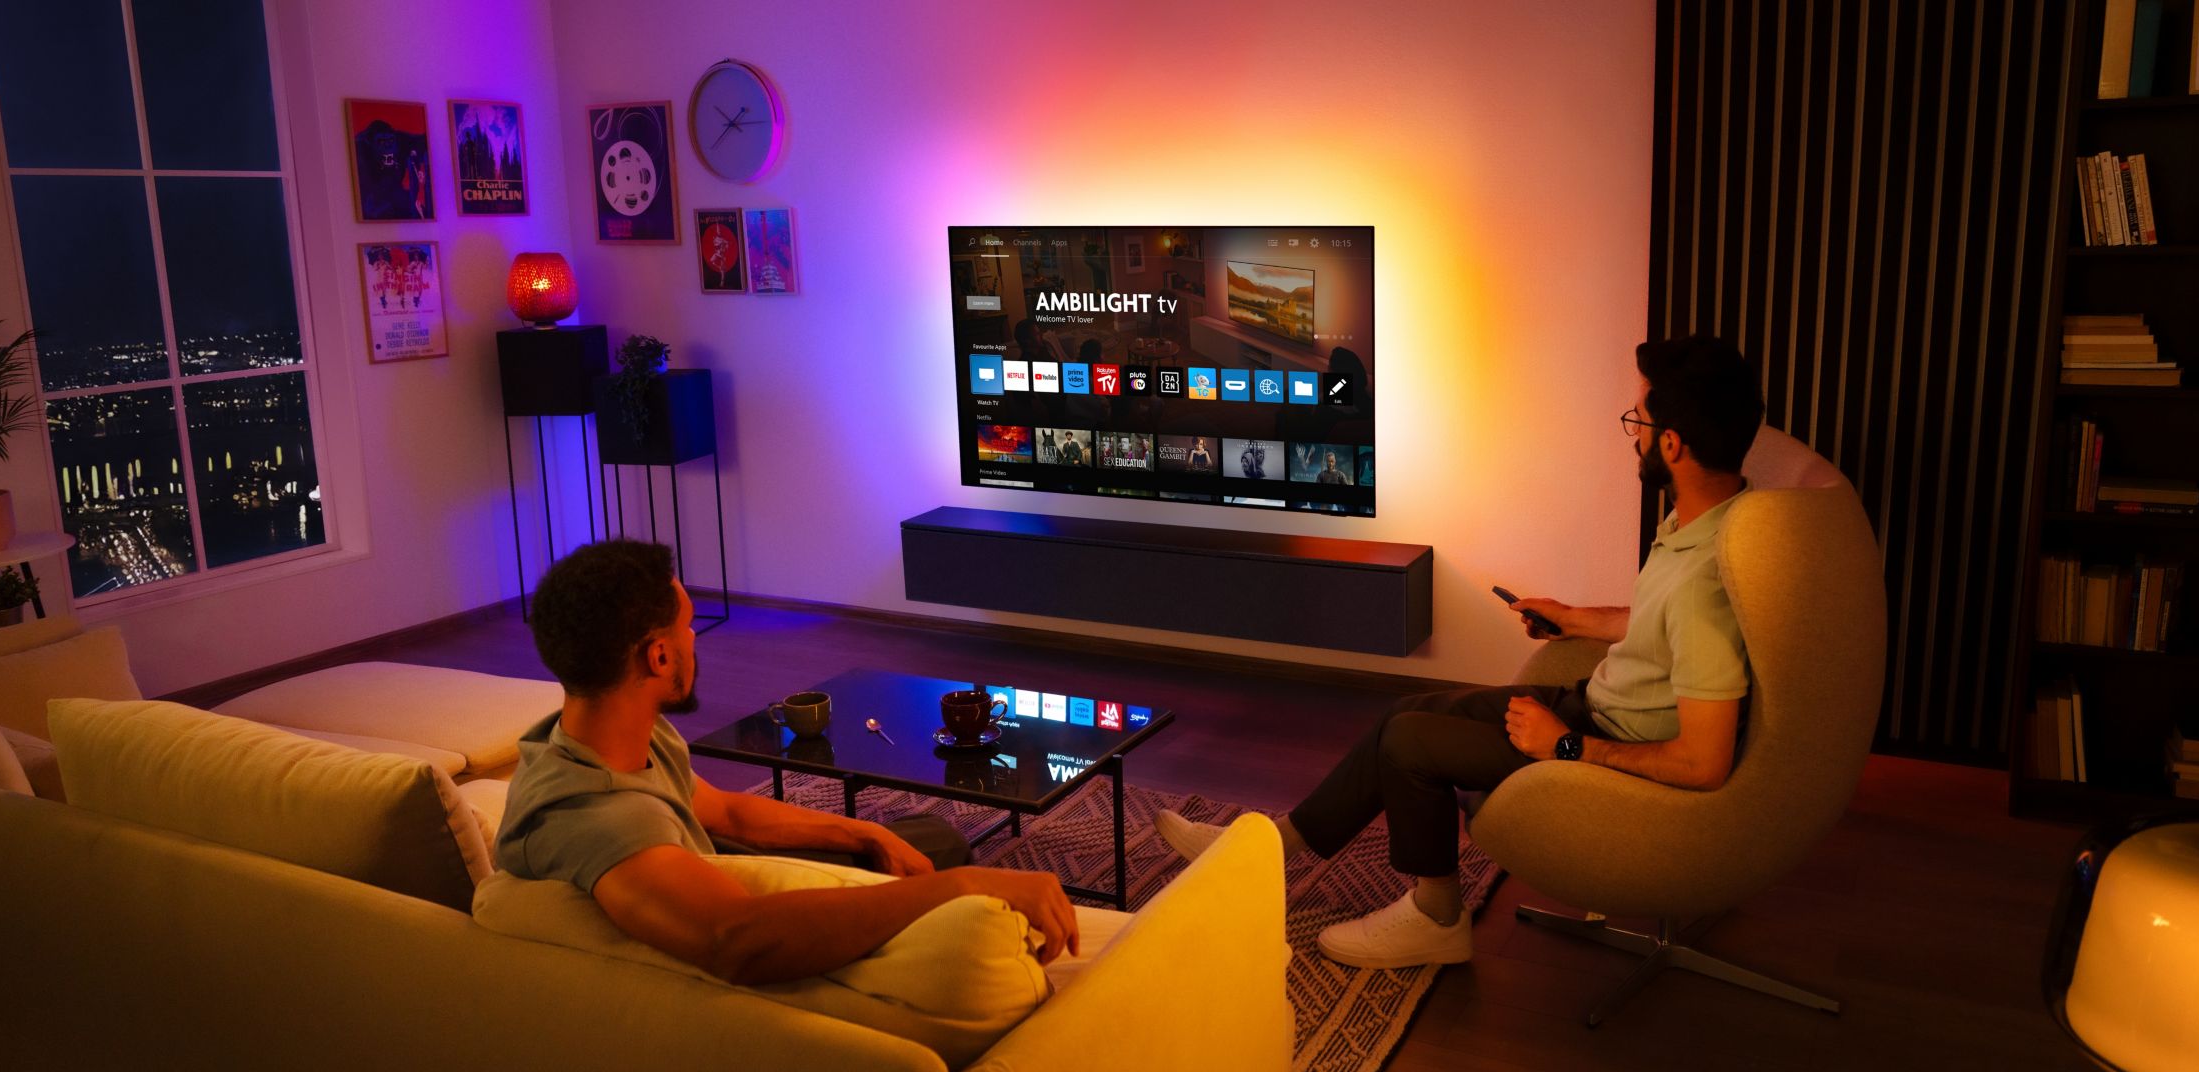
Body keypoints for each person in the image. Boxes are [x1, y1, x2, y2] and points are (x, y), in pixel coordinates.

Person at [1157, 335, 1761, 969]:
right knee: (1408, 710)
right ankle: (1270, 849)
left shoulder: (1706, 586)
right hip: (1593, 709)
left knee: (1410, 744)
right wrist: (1572, 618)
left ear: (1673, 445)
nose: (1631, 433)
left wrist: (1565, 745)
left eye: (1638, 420)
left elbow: (1704, 762)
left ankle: (1437, 916)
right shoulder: (1702, 520)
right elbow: (1662, 628)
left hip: (1602, 741)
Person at [494, 540, 1077, 985]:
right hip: (737, 925)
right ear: (660, 654)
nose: (696, 639)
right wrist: (963, 889)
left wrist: (865, 830)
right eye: (689, 626)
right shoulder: (603, 824)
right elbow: (738, 939)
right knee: (949, 868)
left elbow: (725, 812)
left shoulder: (600, 738)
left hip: (717, 859)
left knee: (929, 842)